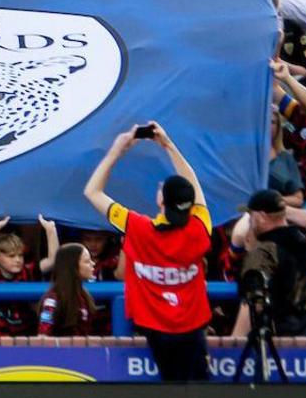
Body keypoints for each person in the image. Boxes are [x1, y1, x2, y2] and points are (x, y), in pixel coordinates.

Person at [82, 122, 215, 382]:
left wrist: (116, 151)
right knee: (201, 389)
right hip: (193, 326)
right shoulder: (200, 228)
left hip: (155, 328)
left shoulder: (137, 228)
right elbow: (194, 186)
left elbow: (92, 192)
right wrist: (168, 145)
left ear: (161, 201)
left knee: (169, 389)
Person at [37, 242, 108, 337]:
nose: (93, 264)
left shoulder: (84, 296)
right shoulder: (52, 300)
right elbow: (43, 336)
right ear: (73, 266)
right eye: (87, 261)